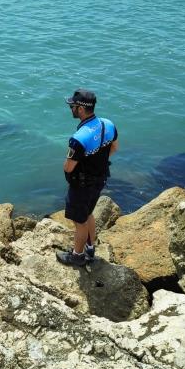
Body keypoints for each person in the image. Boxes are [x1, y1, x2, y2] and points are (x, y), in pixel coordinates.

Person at [56, 89, 119, 267]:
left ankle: (77, 256)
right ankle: (90, 249)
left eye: (72, 106)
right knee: (88, 212)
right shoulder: (108, 124)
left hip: (82, 185)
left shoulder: (79, 138)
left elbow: (69, 166)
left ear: (81, 109)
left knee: (80, 221)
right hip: (100, 179)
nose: (71, 109)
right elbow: (114, 147)